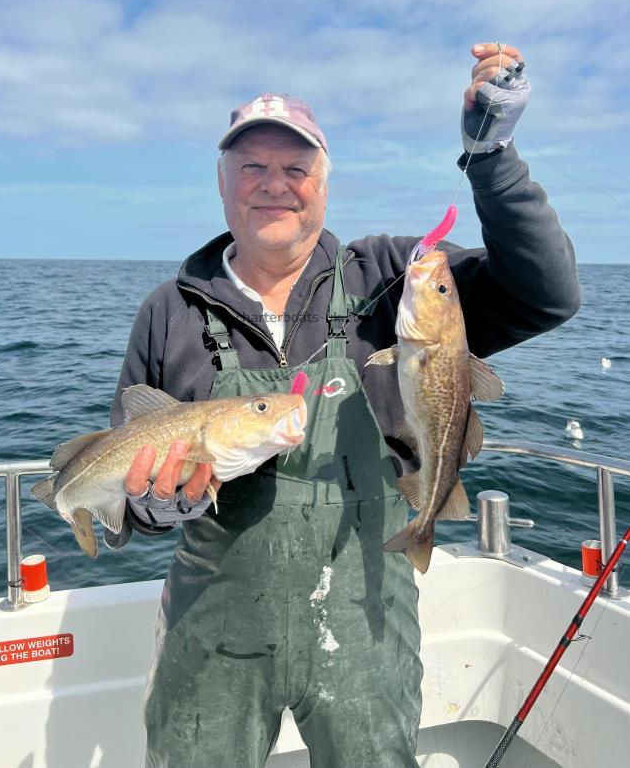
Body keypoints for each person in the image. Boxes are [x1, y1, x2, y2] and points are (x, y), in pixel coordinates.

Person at [108, 43, 580, 768]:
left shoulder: (391, 275)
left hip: (367, 611)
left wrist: (492, 158)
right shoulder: (168, 312)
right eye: (252, 168)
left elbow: (546, 292)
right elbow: (132, 491)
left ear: (323, 186)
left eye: (295, 168)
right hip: (214, 627)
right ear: (222, 183)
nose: (275, 185)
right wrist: (158, 505)